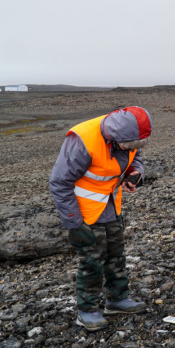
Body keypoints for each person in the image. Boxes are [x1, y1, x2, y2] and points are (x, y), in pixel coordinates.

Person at [50, 106, 152, 331]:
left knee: (116, 254)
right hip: (84, 213)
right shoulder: (82, 140)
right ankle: (87, 311)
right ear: (115, 137)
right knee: (92, 261)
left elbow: (136, 156)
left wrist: (137, 173)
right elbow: (59, 182)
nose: (132, 148)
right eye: (129, 144)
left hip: (111, 206)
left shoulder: (129, 139)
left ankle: (117, 300)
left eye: (138, 143)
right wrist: (73, 223)